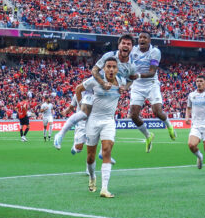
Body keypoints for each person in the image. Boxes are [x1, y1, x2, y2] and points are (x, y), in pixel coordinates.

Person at [53, 34, 137, 150]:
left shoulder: (132, 65)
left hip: (108, 96)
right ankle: (60, 134)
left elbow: (131, 80)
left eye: (129, 44)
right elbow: (94, 70)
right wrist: (102, 83)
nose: (126, 45)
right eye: (123, 43)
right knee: (84, 114)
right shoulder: (109, 56)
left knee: (105, 124)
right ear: (119, 45)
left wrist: (126, 87)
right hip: (95, 89)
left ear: (132, 47)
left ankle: (103, 152)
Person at [75, 57, 127, 198]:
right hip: (93, 120)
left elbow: (132, 81)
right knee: (91, 157)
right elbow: (78, 89)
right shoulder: (95, 81)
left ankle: (104, 189)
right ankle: (92, 177)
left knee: (106, 151)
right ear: (104, 69)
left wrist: (125, 88)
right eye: (108, 66)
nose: (111, 69)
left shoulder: (121, 81)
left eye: (113, 67)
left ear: (117, 69)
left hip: (109, 121)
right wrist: (81, 108)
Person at [129, 31, 176, 153]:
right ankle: (148, 135)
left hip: (151, 84)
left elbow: (152, 72)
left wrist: (137, 75)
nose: (142, 39)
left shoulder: (155, 52)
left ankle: (169, 125)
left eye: (145, 37)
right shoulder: (133, 51)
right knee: (133, 115)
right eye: (140, 37)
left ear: (149, 40)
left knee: (157, 111)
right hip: (137, 85)